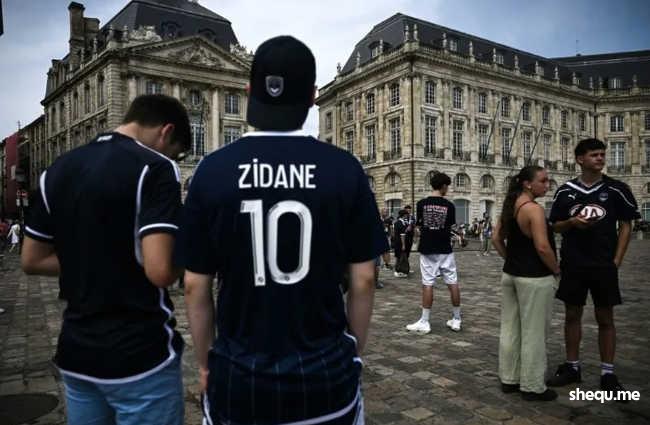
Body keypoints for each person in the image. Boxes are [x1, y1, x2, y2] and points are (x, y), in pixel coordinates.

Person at [180, 35, 387, 425]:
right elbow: (363, 280)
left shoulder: (212, 171)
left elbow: (194, 286)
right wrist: (353, 355)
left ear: (248, 92)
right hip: (325, 381)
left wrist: (207, 365)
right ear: (312, 97)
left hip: (240, 381)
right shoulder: (345, 169)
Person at [21, 94, 190, 425]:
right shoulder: (156, 167)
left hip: (76, 352)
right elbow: (160, 271)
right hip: (139, 353)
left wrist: (95, 255)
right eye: (175, 152)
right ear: (166, 132)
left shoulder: (58, 169)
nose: (173, 158)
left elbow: (32, 259)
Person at [547, 138, 640, 396]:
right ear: (580, 159)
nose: (600, 158)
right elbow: (555, 225)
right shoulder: (565, 191)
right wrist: (571, 223)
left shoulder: (617, 189)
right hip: (574, 263)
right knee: (572, 316)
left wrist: (617, 260)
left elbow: (626, 225)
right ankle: (572, 366)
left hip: (603, 264)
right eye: (594, 155)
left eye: (602, 154)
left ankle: (607, 373)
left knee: (605, 318)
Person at [492, 166, 560, 401]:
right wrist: (556, 269)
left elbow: (496, 238)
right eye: (543, 181)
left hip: (511, 275)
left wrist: (510, 259)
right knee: (534, 333)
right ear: (528, 184)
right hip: (535, 278)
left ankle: (509, 378)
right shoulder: (534, 209)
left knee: (510, 328)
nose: (547, 185)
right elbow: (542, 246)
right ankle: (532, 385)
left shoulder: (510, 206)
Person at [406, 172, 462, 333]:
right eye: (447, 187)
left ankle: (425, 321)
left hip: (428, 248)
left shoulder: (421, 204)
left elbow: (419, 226)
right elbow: (449, 226)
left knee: (428, 283)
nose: (447, 189)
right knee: (452, 283)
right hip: (445, 248)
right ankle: (456, 319)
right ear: (443, 186)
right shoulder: (449, 206)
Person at [393, 209, 410, 278]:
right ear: (404, 215)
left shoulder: (403, 222)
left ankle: (402, 270)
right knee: (399, 256)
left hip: (400, 241)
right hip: (399, 242)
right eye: (406, 214)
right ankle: (398, 270)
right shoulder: (399, 223)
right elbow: (402, 235)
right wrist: (403, 245)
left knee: (401, 256)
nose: (407, 216)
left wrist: (407, 229)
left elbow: (403, 232)